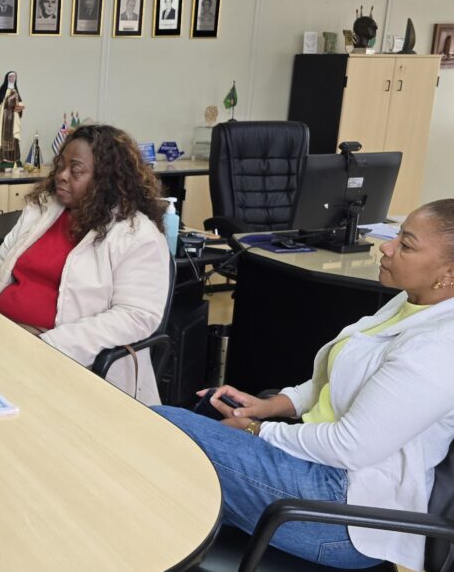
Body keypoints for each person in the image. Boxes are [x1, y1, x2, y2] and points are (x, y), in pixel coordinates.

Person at [155, 199, 454, 570]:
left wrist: (256, 430)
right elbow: (334, 380)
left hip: (342, 511)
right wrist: (269, 406)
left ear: (449, 274)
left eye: (406, 245)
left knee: (158, 426)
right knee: (172, 468)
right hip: (312, 469)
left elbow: (351, 447)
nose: (387, 247)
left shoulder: (441, 346)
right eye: (396, 236)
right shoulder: (409, 301)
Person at [0, 125, 170, 404]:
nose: (62, 176)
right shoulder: (42, 209)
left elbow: (137, 315)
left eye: (76, 171)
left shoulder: (136, 235)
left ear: (106, 179)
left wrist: (50, 346)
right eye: (61, 166)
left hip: (61, 354)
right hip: (2, 335)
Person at [0, 71, 24, 166]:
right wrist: (9, 100)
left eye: (14, 77)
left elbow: (19, 103)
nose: (12, 78)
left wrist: (20, 107)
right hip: (5, 118)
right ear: (7, 78)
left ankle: (15, 158)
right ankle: (4, 158)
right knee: (5, 137)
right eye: (11, 77)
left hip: (14, 118)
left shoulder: (16, 90)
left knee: (14, 138)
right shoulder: (3, 89)